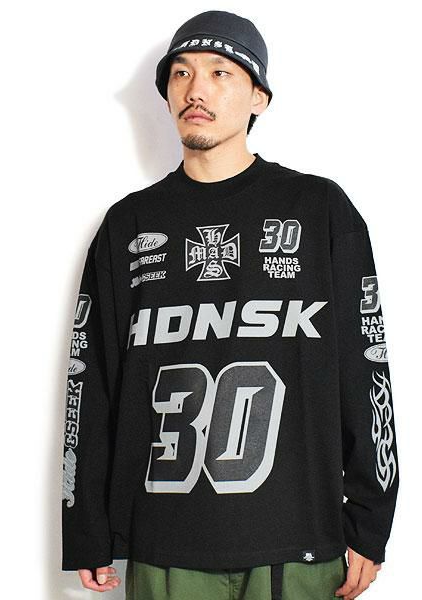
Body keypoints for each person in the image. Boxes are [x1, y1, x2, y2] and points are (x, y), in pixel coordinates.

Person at [60, 10, 399, 600]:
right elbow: (92, 383)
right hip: (164, 543)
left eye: (221, 72)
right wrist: (86, 525)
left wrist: (371, 519)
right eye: (182, 73)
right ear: (168, 94)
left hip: (299, 543)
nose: (197, 89)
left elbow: (366, 370)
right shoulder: (128, 225)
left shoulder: (319, 210)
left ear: (258, 97)